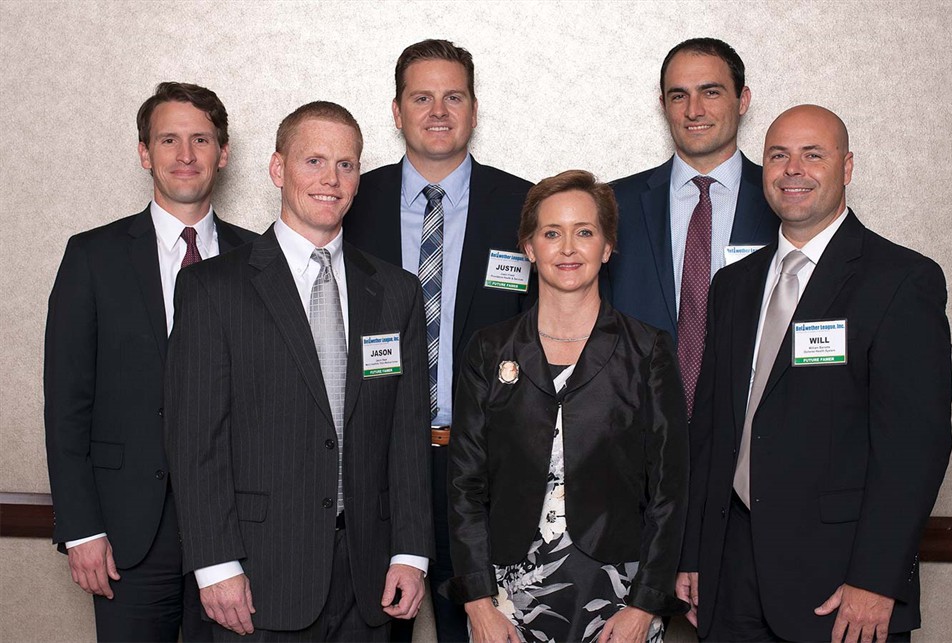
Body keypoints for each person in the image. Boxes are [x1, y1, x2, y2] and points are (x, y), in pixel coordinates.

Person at [676, 105, 952, 642]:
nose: (792, 169)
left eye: (813, 155)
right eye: (778, 155)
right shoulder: (733, 285)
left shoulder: (900, 281)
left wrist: (877, 580)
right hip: (730, 582)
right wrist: (694, 553)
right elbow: (711, 431)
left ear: (846, 167)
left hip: (842, 589)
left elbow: (914, 448)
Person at [164, 101, 434, 641]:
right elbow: (196, 443)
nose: (330, 179)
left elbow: (405, 435)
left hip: (369, 575)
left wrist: (410, 552)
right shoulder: (213, 289)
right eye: (313, 161)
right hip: (258, 576)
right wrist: (216, 566)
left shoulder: (396, 291)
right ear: (277, 169)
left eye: (346, 164)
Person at [43, 81, 255, 642]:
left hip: (238, 534)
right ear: (145, 153)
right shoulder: (92, 257)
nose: (185, 155)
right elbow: (66, 404)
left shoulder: (259, 259)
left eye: (201, 139)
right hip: (127, 534)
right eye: (168, 140)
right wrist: (81, 528)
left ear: (223, 153)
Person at [445, 170, 690, 643]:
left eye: (585, 232)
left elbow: (669, 491)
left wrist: (643, 607)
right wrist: (479, 605)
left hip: (618, 595)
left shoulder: (647, 350)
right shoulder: (489, 349)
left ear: (607, 246)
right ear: (529, 248)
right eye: (551, 233)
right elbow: (464, 487)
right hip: (506, 598)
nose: (568, 248)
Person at [343, 38, 532, 642]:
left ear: (475, 109)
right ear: (396, 112)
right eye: (421, 97)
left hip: (485, 468)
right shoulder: (347, 202)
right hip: (374, 462)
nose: (438, 111)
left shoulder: (526, 206)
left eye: (454, 96)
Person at [605, 37, 778, 419]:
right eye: (679, 96)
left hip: (749, 435)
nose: (694, 110)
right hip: (636, 436)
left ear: (743, 99)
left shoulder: (782, 202)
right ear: (663, 104)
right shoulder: (613, 204)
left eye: (711, 92)